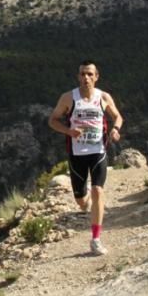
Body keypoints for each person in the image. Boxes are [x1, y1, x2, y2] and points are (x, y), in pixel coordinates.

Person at [48, 60, 123, 255]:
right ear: (78, 77)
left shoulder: (103, 97)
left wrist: (115, 130)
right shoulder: (68, 98)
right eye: (82, 74)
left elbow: (118, 117)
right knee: (81, 202)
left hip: (98, 151)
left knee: (98, 190)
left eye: (90, 74)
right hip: (76, 154)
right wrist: (69, 131)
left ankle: (96, 239)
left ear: (96, 77)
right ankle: (86, 199)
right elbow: (52, 120)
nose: (86, 78)